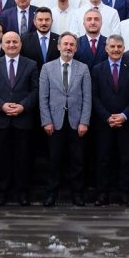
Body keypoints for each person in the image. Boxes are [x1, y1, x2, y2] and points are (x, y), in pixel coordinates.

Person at [0, 31, 38, 205]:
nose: (12, 45)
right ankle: (2, 192)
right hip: (0, 118)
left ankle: (22, 192)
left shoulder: (31, 65)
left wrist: (23, 106)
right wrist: (1, 105)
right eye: (8, 42)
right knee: (1, 158)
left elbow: (36, 90)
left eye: (15, 42)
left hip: (23, 119)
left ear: (21, 45)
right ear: (3, 44)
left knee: (23, 158)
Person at [38, 32, 92, 207]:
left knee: (77, 161)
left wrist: (84, 121)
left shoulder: (83, 68)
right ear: (58, 46)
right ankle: (51, 194)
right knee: (54, 160)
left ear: (76, 48)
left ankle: (77, 194)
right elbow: (43, 97)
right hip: (55, 121)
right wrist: (46, 121)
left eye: (72, 45)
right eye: (65, 44)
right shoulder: (47, 68)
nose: (68, 47)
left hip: (77, 122)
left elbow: (87, 97)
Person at [91, 34, 129, 206]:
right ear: (106, 48)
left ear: (124, 48)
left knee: (126, 159)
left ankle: (125, 194)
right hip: (104, 123)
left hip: (126, 122)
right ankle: (102, 194)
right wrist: (107, 116)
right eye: (113, 46)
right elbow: (94, 96)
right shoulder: (97, 69)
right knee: (103, 159)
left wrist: (124, 115)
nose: (116, 50)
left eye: (119, 46)